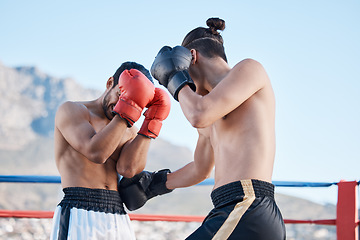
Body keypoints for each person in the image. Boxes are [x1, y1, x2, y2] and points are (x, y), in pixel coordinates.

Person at [120, 17, 286, 239]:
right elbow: (200, 168)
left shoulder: (249, 69)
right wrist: (153, 185)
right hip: (231, 211)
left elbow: (198, 114)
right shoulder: (209, 107)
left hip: (248, 206)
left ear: (192, 58)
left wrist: (174, 77)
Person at [50, 62, 171, 240]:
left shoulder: (129, 129)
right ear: (109, 83)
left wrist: (150, 124)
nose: (118, 106)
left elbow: (128, 169)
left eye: (136, 101)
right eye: (121, 96)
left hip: (117, 214)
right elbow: (96, 153)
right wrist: (128, 107)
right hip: (79, 210)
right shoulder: (72, 110)